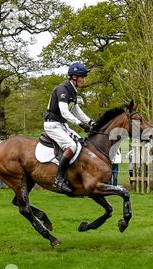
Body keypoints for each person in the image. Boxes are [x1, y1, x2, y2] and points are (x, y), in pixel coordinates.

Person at [43, 62, 97, 193]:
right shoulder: (63, 89)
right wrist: (79, 124)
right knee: (71, 147)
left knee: (81, 144)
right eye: (82, 77)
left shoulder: (73, 91)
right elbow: (65, 112)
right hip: (52, 124)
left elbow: (77, 110)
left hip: (61, 125)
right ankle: (59, 180)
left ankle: (75, 175)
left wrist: (90, 122)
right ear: (74, 77)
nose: (84, 80)